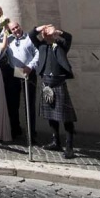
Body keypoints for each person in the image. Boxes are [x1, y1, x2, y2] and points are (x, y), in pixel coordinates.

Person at [32, 23, 77, 159]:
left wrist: (57, 32)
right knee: (51, 116)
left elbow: (69, 37)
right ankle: (55, 141)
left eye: (49, 33)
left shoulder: (62, 45)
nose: (47, 35)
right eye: (45, 34)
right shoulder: (41, 46)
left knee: (66, 116)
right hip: (47, 84)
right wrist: (39, 29)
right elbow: (30, 35)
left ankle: (69, 147)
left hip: (59, 83)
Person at [5, 21, 39, 144]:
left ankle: (31, 133)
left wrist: (30, 67)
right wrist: (4, 30)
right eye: (12, 29)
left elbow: (37, 53)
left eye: (17, 27)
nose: (15, 30)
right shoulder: (8, 39)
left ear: (20, 26)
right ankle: (15, 129)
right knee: (13, 103)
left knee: (29, 103)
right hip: (15, 72)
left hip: (28, 71)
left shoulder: (29, 38)